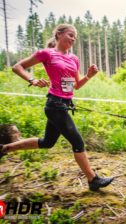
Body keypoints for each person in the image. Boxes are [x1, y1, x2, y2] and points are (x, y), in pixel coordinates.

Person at [0, 23, 114, 191]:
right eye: (70, 34)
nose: (73, 38)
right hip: (54, 105)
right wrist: (32, 80)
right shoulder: (47, 54)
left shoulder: (74, 59)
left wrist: (89, 76)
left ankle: (5, 148)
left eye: (75, 36)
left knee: (47, 142)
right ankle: (93, 179)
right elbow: (17, 67)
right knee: (78, 141)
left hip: (65, 105)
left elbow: (76, 85)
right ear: (59, 34)